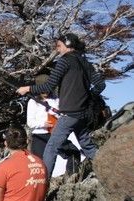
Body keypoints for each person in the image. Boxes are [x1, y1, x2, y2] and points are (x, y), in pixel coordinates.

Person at [17, 33, 105, 179]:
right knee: (87, 146)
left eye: (59, 46)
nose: (57, 50)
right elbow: (101, 85)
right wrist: (87, 98)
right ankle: (106, 169)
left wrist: (28, 89)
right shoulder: (85, 63)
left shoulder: (64, 62)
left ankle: (42, 185)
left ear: (68, 44)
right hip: (82, 114)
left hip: (69, 114)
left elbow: (49, 85)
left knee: (51, 148)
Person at [26, 74, 81, 175]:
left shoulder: (56, 100)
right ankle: (43, 187)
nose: (46, 93)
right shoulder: (33, 102)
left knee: (74, 152)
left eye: (47, 89)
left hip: (56, 134)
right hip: (40, 136)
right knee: (40, 165)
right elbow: (30, 123)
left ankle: (71, 177)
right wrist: (43, 124)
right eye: (43, 90)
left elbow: (64, 114)